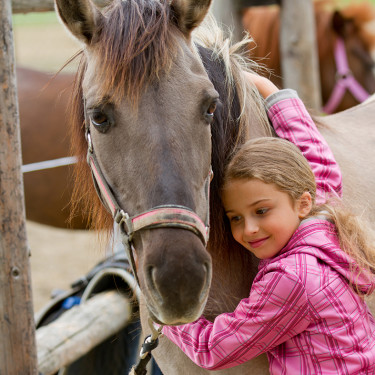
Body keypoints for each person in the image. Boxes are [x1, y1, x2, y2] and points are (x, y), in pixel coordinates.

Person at [161, 73, 375, 374]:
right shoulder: (324, 217)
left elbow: (214, 349)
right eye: (235, 218)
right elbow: (317, 161)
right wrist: (272, 92)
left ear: (301, 202)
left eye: (261, 211)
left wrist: (167, 315)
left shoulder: (293, 279)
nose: (248, 229)